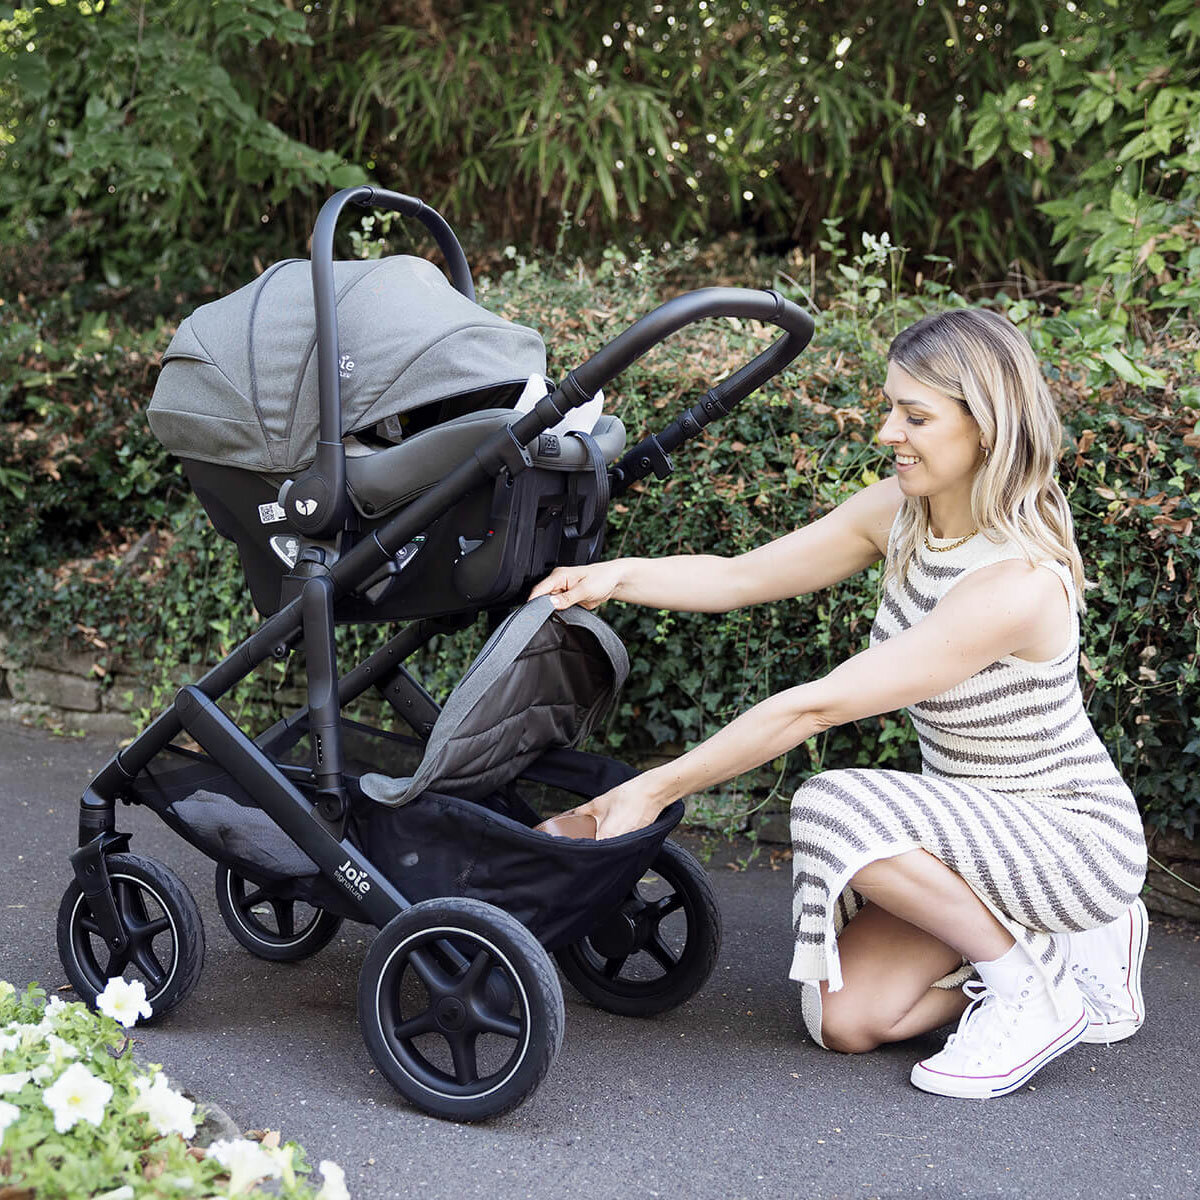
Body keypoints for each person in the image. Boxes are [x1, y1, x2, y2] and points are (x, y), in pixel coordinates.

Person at [529, 308, 1149, 1098]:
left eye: (916, 416)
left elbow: (816, 708)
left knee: (831, 804)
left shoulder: (1015, 584)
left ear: (986, 430)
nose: (888, 431)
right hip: (963, 830)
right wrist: (616, 576)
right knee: (845, 1020)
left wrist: (651, 790)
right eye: (890, 406)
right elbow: (738, 577)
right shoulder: (902, 514)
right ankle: (1056, 953)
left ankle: (1031, 986)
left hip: (1068, 838)